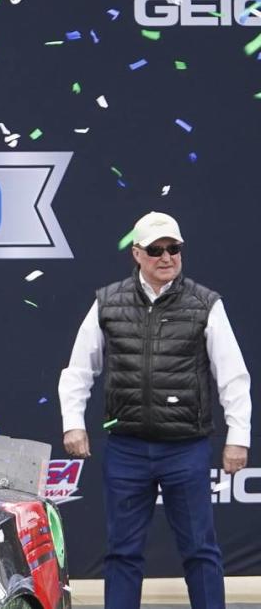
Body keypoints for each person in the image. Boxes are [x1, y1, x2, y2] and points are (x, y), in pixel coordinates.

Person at [58, 211, 251, 609]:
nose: (167, 257)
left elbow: (233, 376)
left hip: (186, 447)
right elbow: (78, 369)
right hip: (127, 448)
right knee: (122, 552)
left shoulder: (205, 304)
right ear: (137, 253)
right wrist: (73, 424)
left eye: (174, 248)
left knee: (200, 549)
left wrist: (239, 437)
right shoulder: (107, 303)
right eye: (156, 249)